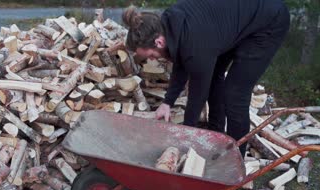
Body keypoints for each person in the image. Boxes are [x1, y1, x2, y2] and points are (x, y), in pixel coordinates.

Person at [122, 0, 290, 156]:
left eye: (151, 55)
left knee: (235, 94)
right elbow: (181, 60)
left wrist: (186, 135)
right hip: (236, 22)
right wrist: (168, 102)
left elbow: (198, 94)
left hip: (268, 21)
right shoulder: (170, 24)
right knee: (215, 73)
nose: (151, 59)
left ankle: (236, 158)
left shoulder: (194, 43)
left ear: (159, 42)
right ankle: (215, 133)